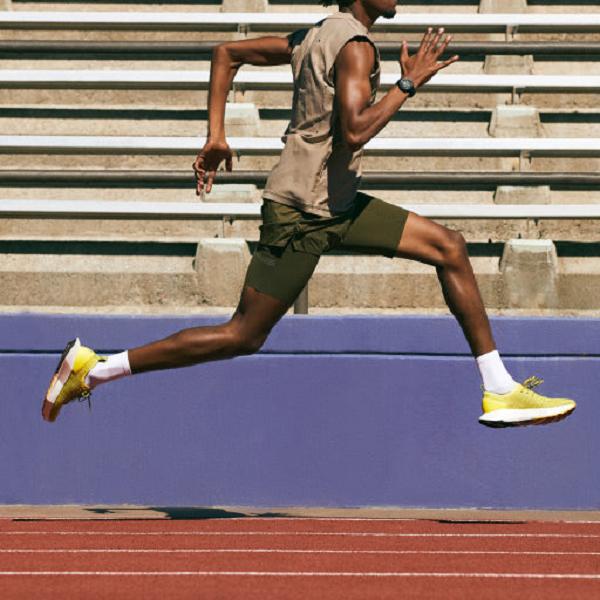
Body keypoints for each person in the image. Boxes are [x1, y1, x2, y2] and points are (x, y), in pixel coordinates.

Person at [42, 0, 575, 428]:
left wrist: (216, 135)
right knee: (243, 335)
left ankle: (498, 386)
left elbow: (226, 52)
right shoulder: (356, 46)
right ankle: (96, 368)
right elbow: (355, 130)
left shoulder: (315, 34)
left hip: (336, 205)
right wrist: (407, 84)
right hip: (302, 213)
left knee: (449, 247)